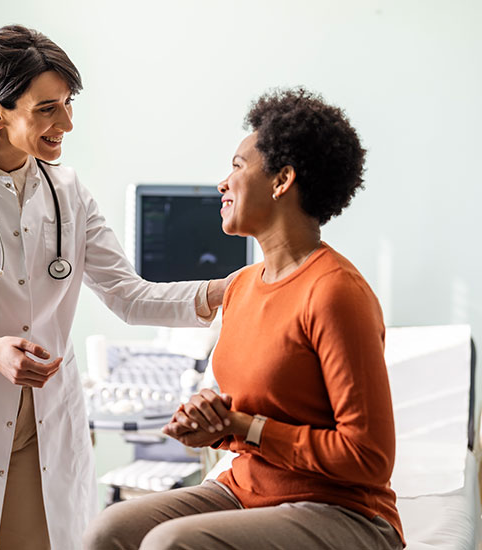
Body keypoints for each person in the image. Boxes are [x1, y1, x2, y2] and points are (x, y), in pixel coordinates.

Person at [0, 24, 231, 550]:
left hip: (44, 435)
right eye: (47, 108)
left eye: (67, 103)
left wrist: (234, 289)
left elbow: (128, 295)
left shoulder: (68, 192)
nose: (67, 122)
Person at [82, 87, 405, 550]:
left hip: (342, 510)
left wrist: (243, 428)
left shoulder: (336, 293)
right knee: (107, 530)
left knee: (170, 545)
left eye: (237, 166)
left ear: (282, 181)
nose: (222, 183)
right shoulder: (240, 287)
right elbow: (249, 415)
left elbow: (368, 457)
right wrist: (212, 425)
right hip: (247, 490)